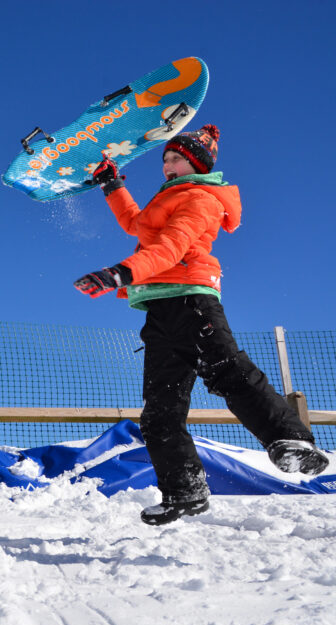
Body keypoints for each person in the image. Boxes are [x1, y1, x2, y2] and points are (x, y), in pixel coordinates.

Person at [74, 125, 330, 526]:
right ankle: (184, 490)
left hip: (191, 300)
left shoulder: (201, 199)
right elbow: (137, 224)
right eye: (165, 160)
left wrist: (122, 273)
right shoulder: (167, 198)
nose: (168, 166)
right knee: (159, 411)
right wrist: (111, 185)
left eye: (176, 159)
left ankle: (292, 439)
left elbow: (172, 246)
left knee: (226, 370)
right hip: (159, 312)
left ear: (195, 164)